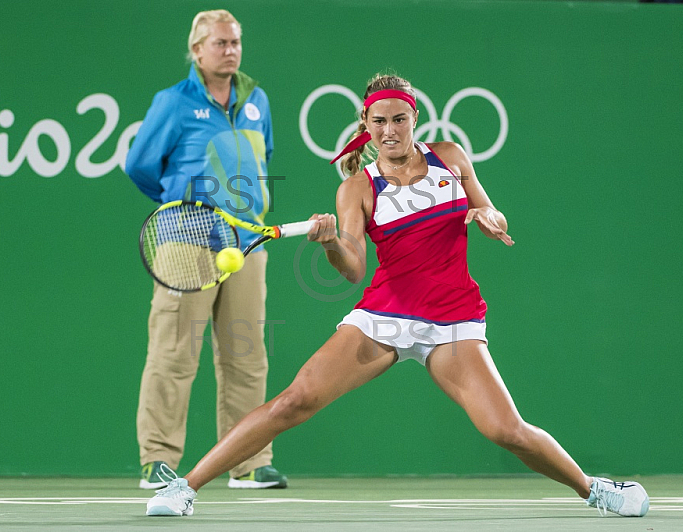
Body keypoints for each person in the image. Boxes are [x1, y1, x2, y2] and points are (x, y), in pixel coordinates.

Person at [143, 74, 650, 518]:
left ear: (415, 118)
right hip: (384, 316)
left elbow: (490, 211)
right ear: (366, 121)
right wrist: (329, 246)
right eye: (379, 121)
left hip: (453, 321)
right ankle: (184, 487)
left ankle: (595, 489)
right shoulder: (357, 190)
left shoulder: (450, 158)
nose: (389, 131)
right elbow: (353, 269)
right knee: (294, 401)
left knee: (506, 430)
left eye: (399, 120)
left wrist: (488, 219)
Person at [125, 9, 287, 490]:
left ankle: (249, 462)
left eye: (235, 42)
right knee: (173, 353)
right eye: (219, 43)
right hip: (185, 240)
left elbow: (265, 158)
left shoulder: (257, 100)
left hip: (247, 242)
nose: (230, 50)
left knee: (246, 356)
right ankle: (157, 459)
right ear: (197, 50)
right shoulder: (173, 102)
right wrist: (181, 202)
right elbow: (140, 165)